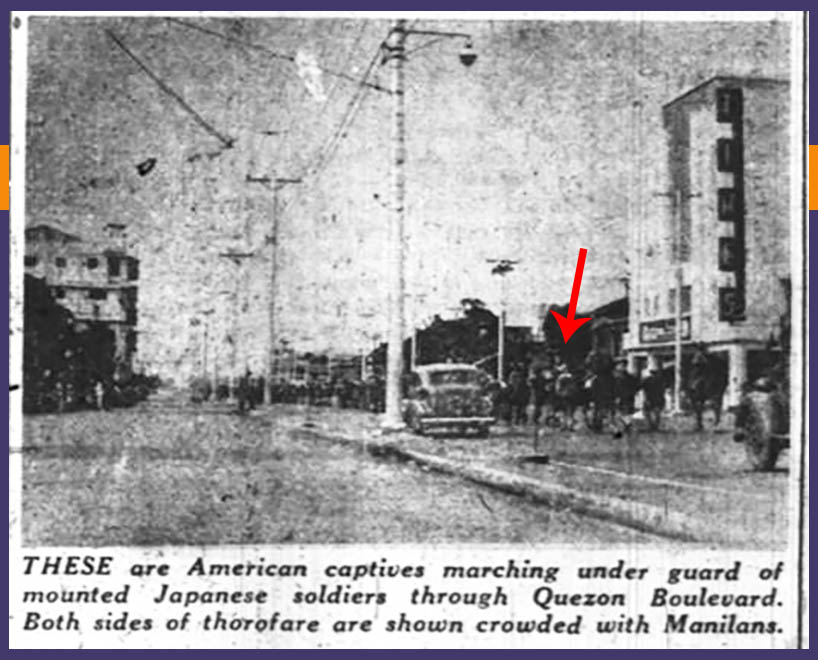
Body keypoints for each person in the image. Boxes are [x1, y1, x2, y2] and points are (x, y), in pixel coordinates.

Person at [642, 367, 665, 431]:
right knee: (654, 413)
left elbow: (645, 390)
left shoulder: (647, 380)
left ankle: (652, 426)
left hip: (653, 398)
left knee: (650, 413)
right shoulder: (660, 380)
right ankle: (653, 426)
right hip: (655, 398)